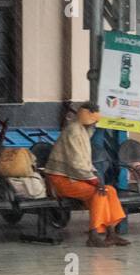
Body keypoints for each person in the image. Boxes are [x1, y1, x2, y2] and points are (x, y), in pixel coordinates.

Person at [43, 102, 129, 247]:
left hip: (76, 177)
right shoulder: (74, 131)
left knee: (110, 191)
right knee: (99, 193)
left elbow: (89, 133)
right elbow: (76, 163)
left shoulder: (81, 129)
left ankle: (111, 233)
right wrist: (94, 180)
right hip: (60, 179)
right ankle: (93, 234)